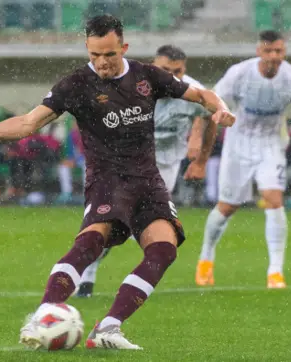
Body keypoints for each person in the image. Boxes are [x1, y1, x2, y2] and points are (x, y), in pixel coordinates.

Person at [0, 15, 235, 350]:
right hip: (107, 180)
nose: (101, 62)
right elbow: (28, 123)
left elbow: (203, 96)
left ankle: (108, 329)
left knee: (164, 249)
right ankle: (44, 314)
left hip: (147, 179)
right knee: (92, 243)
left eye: (109, 55)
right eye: (94, 54)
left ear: (123, 48)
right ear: (87, 49)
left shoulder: (148, 76)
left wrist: (222, 110)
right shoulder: (76, 85)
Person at [75, 44, 218, 298]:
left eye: (178, 71)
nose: (173, 76)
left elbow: (211, 114)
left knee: (125, 224)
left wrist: (201, 159)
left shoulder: (191, 90)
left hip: (166, 165)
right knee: (116, 220)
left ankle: (98, 272)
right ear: (154, 66)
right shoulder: (133, 84)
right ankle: (88, 276)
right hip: (128, 161)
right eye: (166, 70)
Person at [195, 30, 291, 289]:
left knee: (274, 200)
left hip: (271, 144)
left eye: (278, 51)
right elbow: (212, 99)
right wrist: (218, 118)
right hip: (238, 144)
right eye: (268, 51)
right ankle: (206, 258)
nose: (274, 56)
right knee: (227, 207)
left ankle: (275, 272)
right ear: (259, 51)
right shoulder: (240, 73)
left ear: (284, 52)